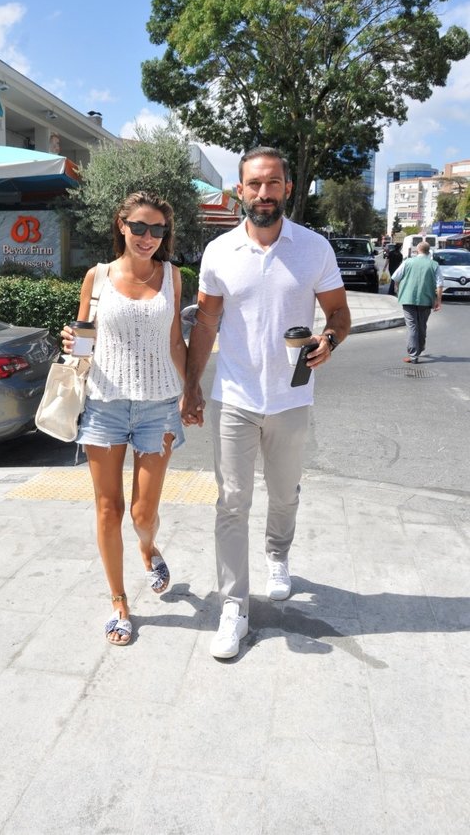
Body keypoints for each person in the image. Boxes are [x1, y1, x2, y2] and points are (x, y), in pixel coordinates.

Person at [181, 146, 351, 660]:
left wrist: (330, 341)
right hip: (234, 397)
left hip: (292, 397)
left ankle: (278, 555)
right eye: (254, 184)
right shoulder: (219, 252)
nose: (263, 193)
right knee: (231, 502)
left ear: (287, 188)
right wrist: (192, 385)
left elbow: (339, 313)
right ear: (239, 190)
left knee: (283, 493)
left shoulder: (314, 248)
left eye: (272, 183)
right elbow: (206, 322)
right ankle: (234, 606)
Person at [61, 192, 186, 646]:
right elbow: (83, 341)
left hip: (159, 407)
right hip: (104, 406)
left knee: (142, 513)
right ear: (121, 225)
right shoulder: (97, 277)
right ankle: (119, 603)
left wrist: (191, 391)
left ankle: (148, 548)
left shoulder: (173, 277)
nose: (148, 237)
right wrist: (71, 339)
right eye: (139, 227)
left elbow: (175, 341)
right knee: (108, 509)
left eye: (157, 230)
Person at [390, 240, 443, 363]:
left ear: (417, 250)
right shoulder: (434, 264)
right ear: (428, 251)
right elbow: (440, 284)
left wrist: (398, 288)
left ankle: (413, 356)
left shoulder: (407, 262)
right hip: (426, 299)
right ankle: (420, 347)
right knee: (422, 325)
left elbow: (395, 277)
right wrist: (438, 301)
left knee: (412, 326)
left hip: (408, 298)